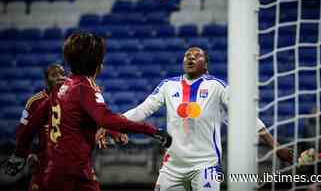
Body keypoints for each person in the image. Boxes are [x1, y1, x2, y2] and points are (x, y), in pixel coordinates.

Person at [1, 32, 172, 191]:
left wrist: (20, 153)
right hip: (74, 174)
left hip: (53, 171)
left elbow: (34, 122)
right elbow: (105, 118)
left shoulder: (62, 86)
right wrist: (151, 130)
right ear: (98, 65)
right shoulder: (85, 87)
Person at [109, 46, 293, 191]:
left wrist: (275, 145)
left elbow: (246, 116)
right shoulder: (168, 86)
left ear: (206, 65)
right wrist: (113, 124)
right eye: (187, 55)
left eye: (197, 56)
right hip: (173, 165)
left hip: (206, 166)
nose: (190, 57)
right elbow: (142, 110)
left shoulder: (217, 87)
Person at [16, 64, 65, 191]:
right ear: (46, 79)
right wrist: (29, 154)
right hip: (43, 162)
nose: (59, 78)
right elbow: (23, 130)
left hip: (68, 163)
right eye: (54, 75)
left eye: (62, 74)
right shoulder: (35, 101)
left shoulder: (72, 99)